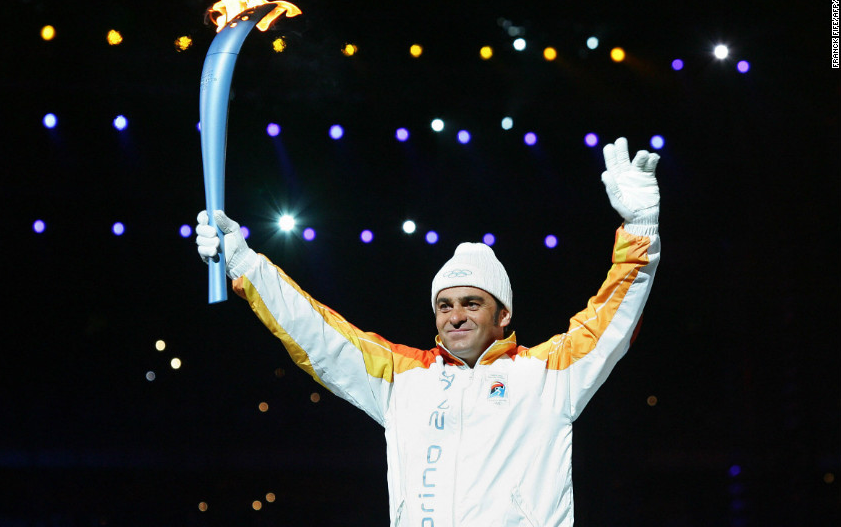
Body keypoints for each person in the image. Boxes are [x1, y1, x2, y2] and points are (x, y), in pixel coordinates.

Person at [196, 137, 661, 526]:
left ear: (503, 316)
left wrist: (640, 227)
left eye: (471, 303)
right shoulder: (403, 379)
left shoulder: (547, 376)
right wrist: (246, 265)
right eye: (445, 305)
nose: (455, 316)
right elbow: (318, 333)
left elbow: (611, 319)